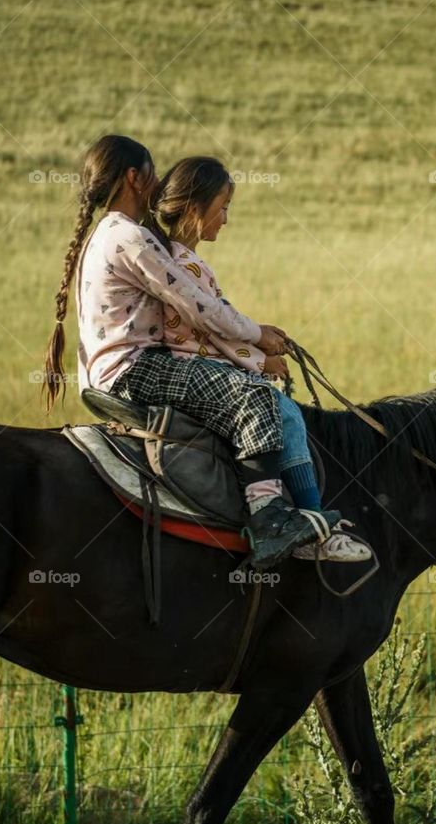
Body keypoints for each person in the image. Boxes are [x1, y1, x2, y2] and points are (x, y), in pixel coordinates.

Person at [41, 135, 353, 567]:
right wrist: (256, 335)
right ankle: (269, 517)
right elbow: (197, 305)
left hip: (120, 368)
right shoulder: (128, 238)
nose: (157, 182)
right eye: (150, 172)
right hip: (135, 369)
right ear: (135, 177)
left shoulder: (112, 235)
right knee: (254, 395)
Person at [146, 155, 369, 563]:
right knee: (283, 413)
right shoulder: (184, 265)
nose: (226, 219)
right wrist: (259, 361)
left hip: (202, 361)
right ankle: (313, 523)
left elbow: (218, 324)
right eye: (223, 207)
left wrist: (260, 339)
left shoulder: (180, 260)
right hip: (198, 364)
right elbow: (209, 330)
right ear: (196, 209)